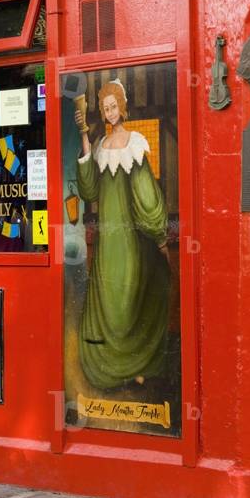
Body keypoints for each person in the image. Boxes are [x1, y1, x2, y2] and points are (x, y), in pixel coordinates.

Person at [74, 78, 170, 389]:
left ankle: (136, 366)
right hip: (108, 241)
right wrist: (84, 137)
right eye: (105, 108)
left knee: (129, 299)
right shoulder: (100, 145)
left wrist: (158, 232)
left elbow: (146, 195)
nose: (110, 111)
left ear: (122, 107)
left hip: (130, 239)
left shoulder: (136, 142)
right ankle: (115, 370)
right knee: (111, 300)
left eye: (113, 106)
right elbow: (89, 191)